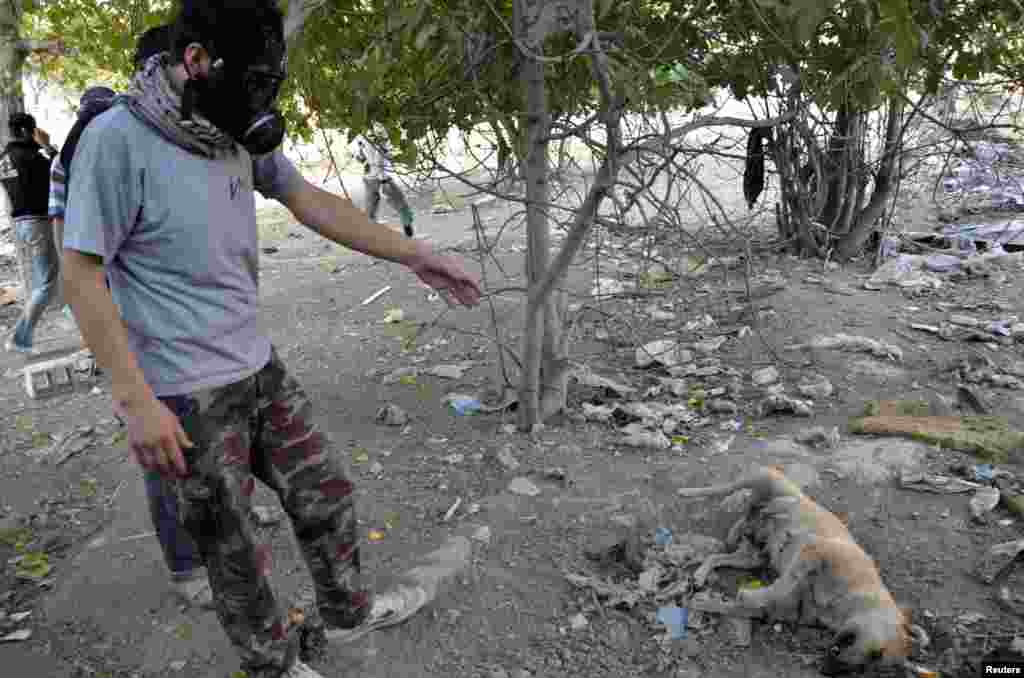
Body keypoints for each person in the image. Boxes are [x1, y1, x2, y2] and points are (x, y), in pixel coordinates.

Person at [61, 3, 480, 677]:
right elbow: (80, 274)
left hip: (257, 364)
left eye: (271, 83)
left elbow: (307, 197)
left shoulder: (231, 129)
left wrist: (411, 253)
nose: (264, 100)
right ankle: (277, 665)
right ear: (196, 59)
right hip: (185, 389)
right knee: (230, 547)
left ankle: (347, 622)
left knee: (326, 493)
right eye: (255, 81)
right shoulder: (116, 142)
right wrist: (136, 402)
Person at [48, 25, 214, 610]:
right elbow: (73, 243)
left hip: (188, 320)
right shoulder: (101, 138)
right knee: (162, 441)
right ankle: (186, 564)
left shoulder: (178, 128)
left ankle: (218, 530)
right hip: (133, 311)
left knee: (208, 430)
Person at [2, 112, 61, 354]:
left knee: (43, 280)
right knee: (47, 283)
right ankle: (19, 338)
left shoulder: (4, 157)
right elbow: (61, 167)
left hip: (22, 225)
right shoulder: (33, 155)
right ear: (27, 131)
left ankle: (22, 336)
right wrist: (46, 145)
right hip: (37, 222)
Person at [354, 134, 416, 237]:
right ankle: (406, 226)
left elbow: (377, 159)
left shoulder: (365, 135)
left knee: (373, 210)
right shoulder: (364, 136)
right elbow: (370, 159)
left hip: (374, 178)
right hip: (376, 178)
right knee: (398, 204)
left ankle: (406, 226)